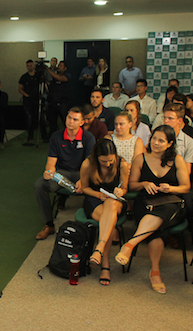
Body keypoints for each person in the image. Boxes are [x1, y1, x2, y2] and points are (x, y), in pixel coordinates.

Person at [115, 125, 190, 294]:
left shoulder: (177, 160)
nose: (155, 143)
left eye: (161, 140)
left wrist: (170, 188)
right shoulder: (141, 158)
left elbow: (186, 187)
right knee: (155, 230)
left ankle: (130, 244)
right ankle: (154, 272)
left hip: (171, 203)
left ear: (170, 143)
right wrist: (144, 183)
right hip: (146, 202)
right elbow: (132, 186)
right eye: (154, 138)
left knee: (162, 213)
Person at [34, 107, 95, 240]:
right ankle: (49, 225)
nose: (71, 121)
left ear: (81, 122)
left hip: (82, 172)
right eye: (69, 118)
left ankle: (92, 226)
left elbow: (89, 163)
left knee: (96, 183)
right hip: (63, 173)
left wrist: (83, 179)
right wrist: (49, 171)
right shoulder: (57, 136)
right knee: (40, 185)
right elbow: (51, 161)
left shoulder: (88, 137)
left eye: (75, 119)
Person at [80, 139, 129, 285]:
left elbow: (125, 188)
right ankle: (105, 262)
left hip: (115, 201)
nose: (108, 164)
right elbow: (85, 188)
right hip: (95, 199)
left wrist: (121, 191)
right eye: (103, 161)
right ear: (96, 157)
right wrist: (98, 195)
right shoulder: (87, 164)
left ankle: (100, 248)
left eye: (110, 161)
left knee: (112, 204)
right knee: (109, 221)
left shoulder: (122, 164)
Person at [19, 59, 44, 144]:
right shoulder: (24, 77)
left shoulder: (38, 76)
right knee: (29, 118)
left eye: (31, 65)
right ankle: (30, 135)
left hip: (37, 99)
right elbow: (20, 89)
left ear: (33, 65)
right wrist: (27, 95)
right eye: (28, 66)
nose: (30, 67)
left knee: (40, 118)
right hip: (28, 101)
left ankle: (44, 136)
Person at [46, 61, 71, 136]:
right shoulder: (54, 78)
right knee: (52, 121)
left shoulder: (67, 75)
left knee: (65, 121)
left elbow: (60, 78)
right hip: (53, 102)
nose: (59, 67)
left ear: (65, 68)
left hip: (62, 103)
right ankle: (52, 136)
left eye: (61, 66)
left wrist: (48, 70)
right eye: (59, 65)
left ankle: (69, 135)